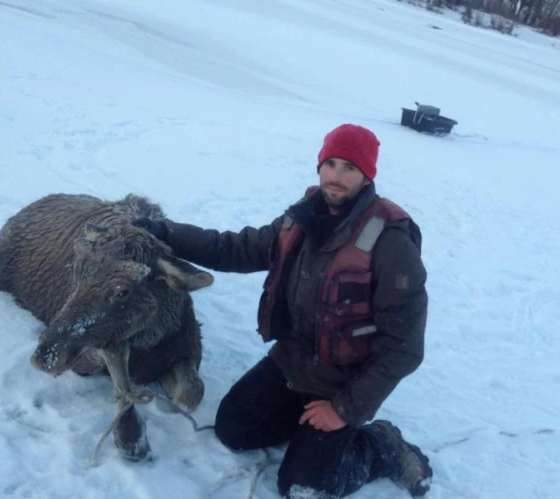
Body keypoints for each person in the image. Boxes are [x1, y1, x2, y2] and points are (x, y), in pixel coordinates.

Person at [134, 124, 433, 498]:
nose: (337, 177)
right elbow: (236, 248)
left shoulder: (390, 243)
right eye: (331, 164)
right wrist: (166, 232)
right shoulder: (301, 220)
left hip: (344, 383)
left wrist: (343, 409)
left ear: (366, 175)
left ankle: (380, 447)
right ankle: (311, 433)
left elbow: (404, 347)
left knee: (303, 487)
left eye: (350, 168)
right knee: (234, 429)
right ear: (319, 166)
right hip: (292, 364)